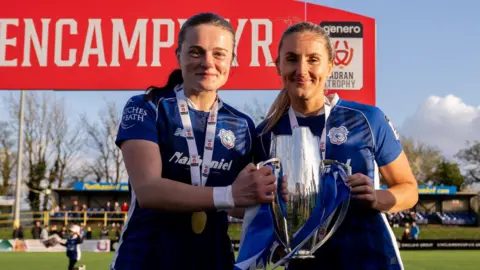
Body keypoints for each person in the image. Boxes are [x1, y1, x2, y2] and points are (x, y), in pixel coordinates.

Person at [110, 12, 287, 270]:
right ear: (178, 55)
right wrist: (229, 194)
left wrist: (276, 208)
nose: (207, 62)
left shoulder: (243, 125)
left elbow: (240, 204)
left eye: (219, 54)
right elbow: (148, 190)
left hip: (215, 261)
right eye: (196, 52)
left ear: (231, 60)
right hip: (145, 259)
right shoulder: (148, 106)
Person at [254, 22, 418, 270]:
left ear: (330, 66)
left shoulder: (367, 119)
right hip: (303, 264)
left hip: (371, 259)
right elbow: (249, 208)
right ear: (278, 65)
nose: (302, 69)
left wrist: (377, 197)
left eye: (313, 59)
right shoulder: (265, 134)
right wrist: (275, 237)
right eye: (291, 59)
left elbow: (409, 190)